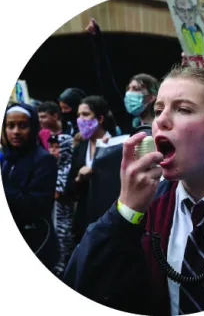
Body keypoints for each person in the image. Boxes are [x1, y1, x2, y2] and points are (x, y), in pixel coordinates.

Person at [64, 66, 204, 315]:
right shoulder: (146, 203)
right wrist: (125, 214)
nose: (160, 120)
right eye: (158, 109)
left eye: (183, 109)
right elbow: (80, 284)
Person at [1, 102, 58, 270]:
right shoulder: (7, 158)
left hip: (36, 243)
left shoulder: (43, 160)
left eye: (23, 125)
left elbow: (34, 206)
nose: (16, 132)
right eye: (10, 126)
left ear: (33, 128)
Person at [85, 18, 159, 133]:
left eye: (136, 89)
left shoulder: (163, 123)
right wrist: (96, 39)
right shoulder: (127, 121)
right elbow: (107, 83)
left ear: (151, 97)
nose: (129, 93)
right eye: (128, 89)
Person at [65, 95, 117, 244]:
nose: (81, 119)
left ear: (100, 119)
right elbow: (69, 189)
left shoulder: (117, 144)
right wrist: (79, 179)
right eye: (79, 115)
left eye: (86, 115)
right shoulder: (80, 148)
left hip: (110, 218)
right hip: (85, 220)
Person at [48, 133, 75, 278]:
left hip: (64, 215)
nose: (52, 151)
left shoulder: (67, 167)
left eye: (57, 147)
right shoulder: (52, 166)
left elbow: (57, 193)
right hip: (52, 214)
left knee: (63, 241)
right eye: (50, 147)